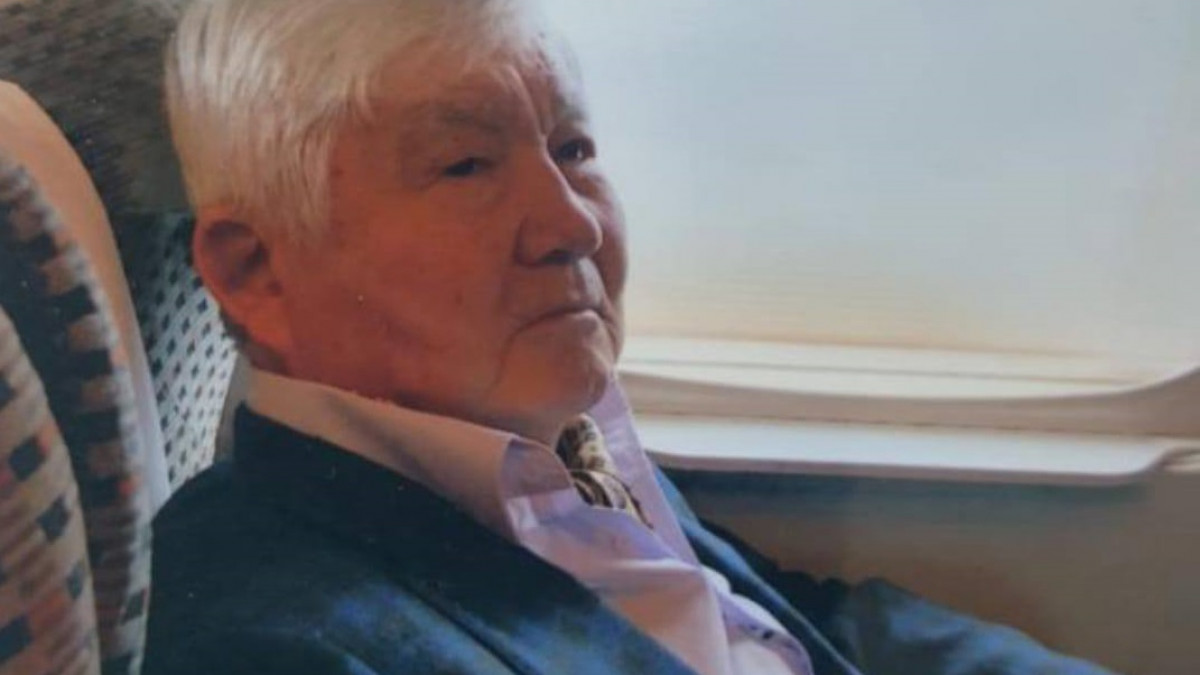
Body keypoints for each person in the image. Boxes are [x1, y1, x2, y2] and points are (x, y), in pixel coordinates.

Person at [144, 1, 1115, 673]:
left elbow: (777, 621)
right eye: (466, 164)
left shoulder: (534, 438)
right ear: (255, 271)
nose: (572, 223)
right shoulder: (269, 640)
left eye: (572, 148)